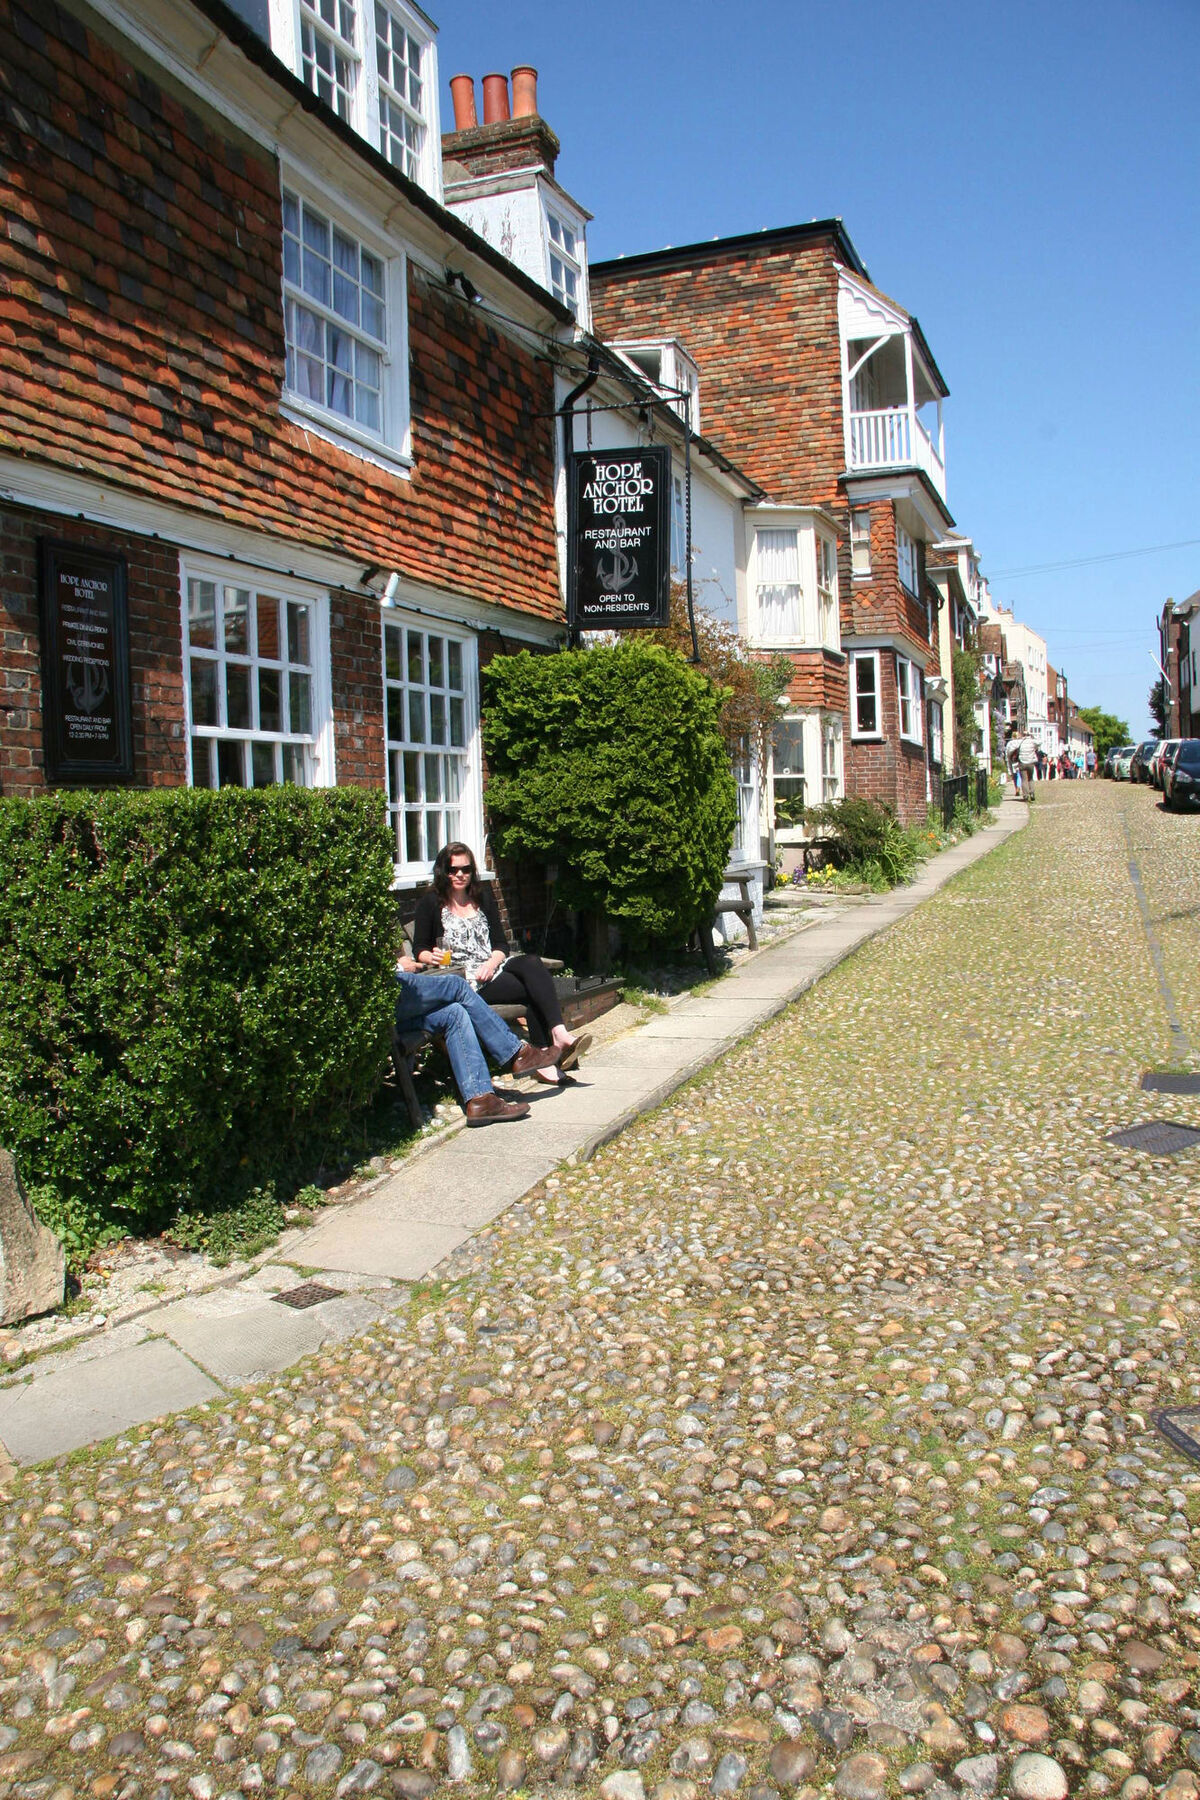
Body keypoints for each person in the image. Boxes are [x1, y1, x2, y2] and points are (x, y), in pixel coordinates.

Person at [412, 843, 591, 1085]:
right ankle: (547, 1057)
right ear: (443, 871)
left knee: (531, 963)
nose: (460, 875)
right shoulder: (431, 904)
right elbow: (419, 949)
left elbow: (500, 944)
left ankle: (558, 1034)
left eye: (465, 869)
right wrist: (428, 957)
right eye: (453, 870)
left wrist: (492, 962)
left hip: (491, 968)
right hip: (465, 980)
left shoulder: (482, 898)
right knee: (532, 991)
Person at [394, 959, 562, 1125]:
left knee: (455, 1013)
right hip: (387, 1001)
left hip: (392, 1014)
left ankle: (480, 1099)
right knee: (457, 985)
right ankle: (517, 1053)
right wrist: (400, 966)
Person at [1017, 728, 1038, 800]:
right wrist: (1033, 737)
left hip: (1022, 762)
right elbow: (1040, 742)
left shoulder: (1020, 742)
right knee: (1030, 778)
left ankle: (1025, 795)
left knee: (1024, 779)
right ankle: (1032, 793)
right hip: (1031, 762)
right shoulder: (1032, 741)